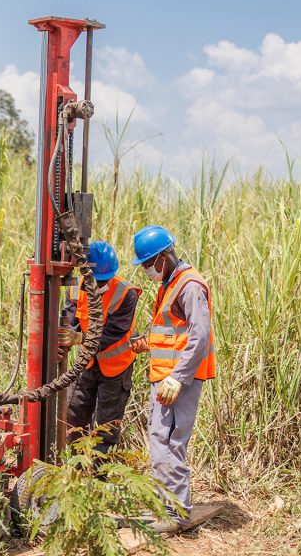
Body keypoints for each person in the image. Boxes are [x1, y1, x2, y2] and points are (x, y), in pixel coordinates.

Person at [129, 225, 216, 532]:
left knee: (169, 444)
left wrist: (178, 377)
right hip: (166, 380)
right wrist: (143, 343)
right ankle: (165, 508)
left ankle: (176, 515)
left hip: (178, 382)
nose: (146, 270)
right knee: (160, 442)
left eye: (147, 264)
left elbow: (200, 335)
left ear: (163, 257)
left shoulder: (189, 285)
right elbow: (171, 333)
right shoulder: (171, 283)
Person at [60, 241, 142, 454]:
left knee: (105, 427)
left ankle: (99, 479)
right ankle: (76, 468)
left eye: (105, 280)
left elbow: (112, 335)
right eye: (97, 280)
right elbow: (69, 321)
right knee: (70, 416)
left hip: (116, 368)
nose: (101, 284)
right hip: (86, 364)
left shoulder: (125, 294)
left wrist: (79, 338)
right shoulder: (75, 289)